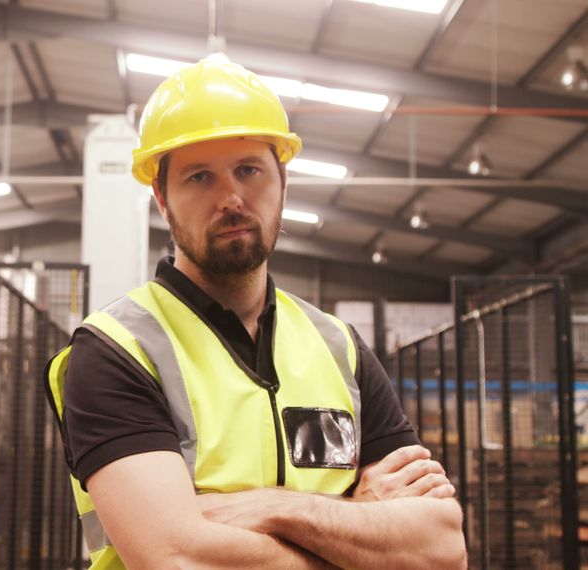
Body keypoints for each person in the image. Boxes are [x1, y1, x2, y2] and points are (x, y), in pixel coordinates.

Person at [44, 55, 467, 569]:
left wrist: (277, 508)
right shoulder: (117, 350)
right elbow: (177, 558)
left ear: (283, 181)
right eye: (199, 177)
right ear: (161, 198)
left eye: (249, 170)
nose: (231, 198)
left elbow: (441, 550)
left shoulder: (339, 348)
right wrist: (357, 528)